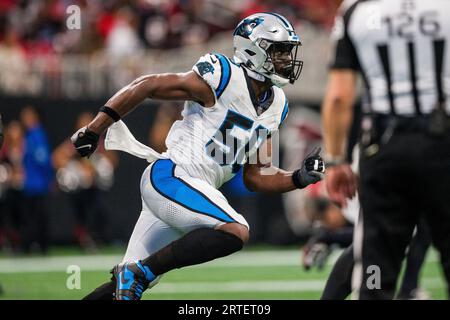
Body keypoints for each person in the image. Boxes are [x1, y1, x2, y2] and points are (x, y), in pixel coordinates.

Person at [73, 12, 325, 300]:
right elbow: (148, 85)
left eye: (287, 52)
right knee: (236, 230)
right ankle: (138, 272)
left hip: (188, 189)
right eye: (278, 50)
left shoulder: (276, 105)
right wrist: (94, 129)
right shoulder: (223, 75)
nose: (286, 59)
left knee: (124, 294)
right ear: (254, 49)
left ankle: (135, 274)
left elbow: (257, 175)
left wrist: (298, 178)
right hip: (172, 176)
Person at [322, 0, 450, 299]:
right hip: (444, 147)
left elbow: (340, 96)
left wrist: (336, 160)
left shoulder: (357, 11)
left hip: (385, 150)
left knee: (376, 269)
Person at [53, 112, 118, 250]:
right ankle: (84, 238)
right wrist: (80, 169)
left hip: (95, 186)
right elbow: (57, 157)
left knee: (97, 212)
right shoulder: (75, 142)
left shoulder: (99, 143)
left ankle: (95, 237)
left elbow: (112, 160)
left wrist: (94, 169)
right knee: (81, 212)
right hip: (79, 186)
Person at [20, 106, 53, 254]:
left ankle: (40, 245)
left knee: (38, 217)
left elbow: (44, 160)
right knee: (31, 217)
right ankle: (32, 244)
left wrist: (48, 179)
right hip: (30, 183)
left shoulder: (37, 135)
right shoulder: (29, 135)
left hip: (38, 184)